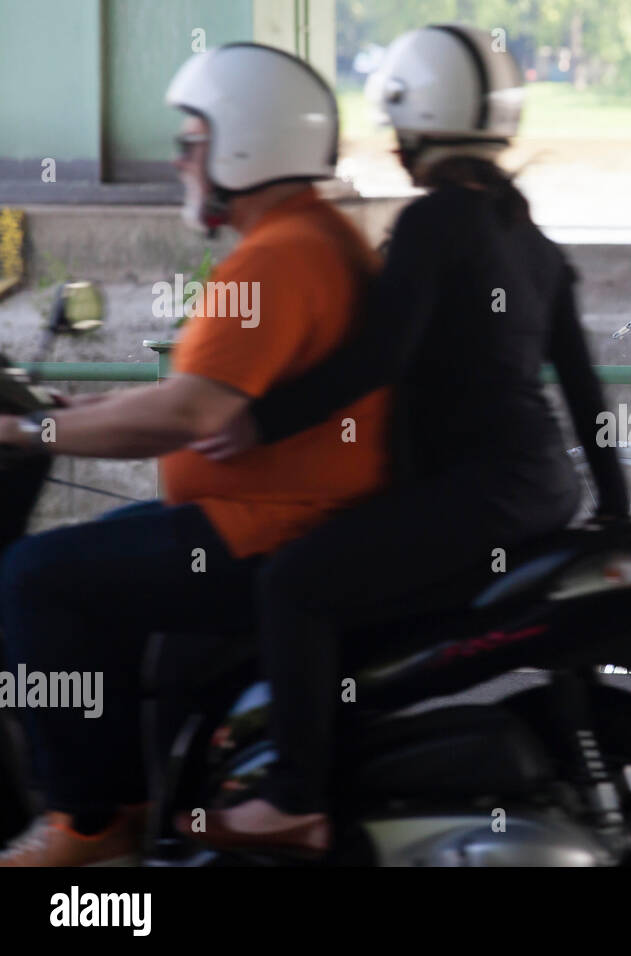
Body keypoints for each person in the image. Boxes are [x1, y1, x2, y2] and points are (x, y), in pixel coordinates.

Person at [180, 24, 630, 856]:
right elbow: (584, 387)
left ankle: (295, 796)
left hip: (476, 497)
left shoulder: (433, 222)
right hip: (542, 491)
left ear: (412, 122)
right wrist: (616, 508)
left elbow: (378, 355)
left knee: (294, 586)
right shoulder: (532, 240)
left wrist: (255, 421)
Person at [0, 44, 389, 866]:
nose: (179, 160)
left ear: (245, 143)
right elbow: (210, 392)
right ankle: (145, 791)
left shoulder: (279, 257)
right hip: (269, 515)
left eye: (191, 141)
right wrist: (87, 408)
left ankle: (91, 826)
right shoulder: (313, 236)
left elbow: (188, 411)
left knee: (37, 577)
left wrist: (24, 433)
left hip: (260, 529)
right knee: (86, 571)